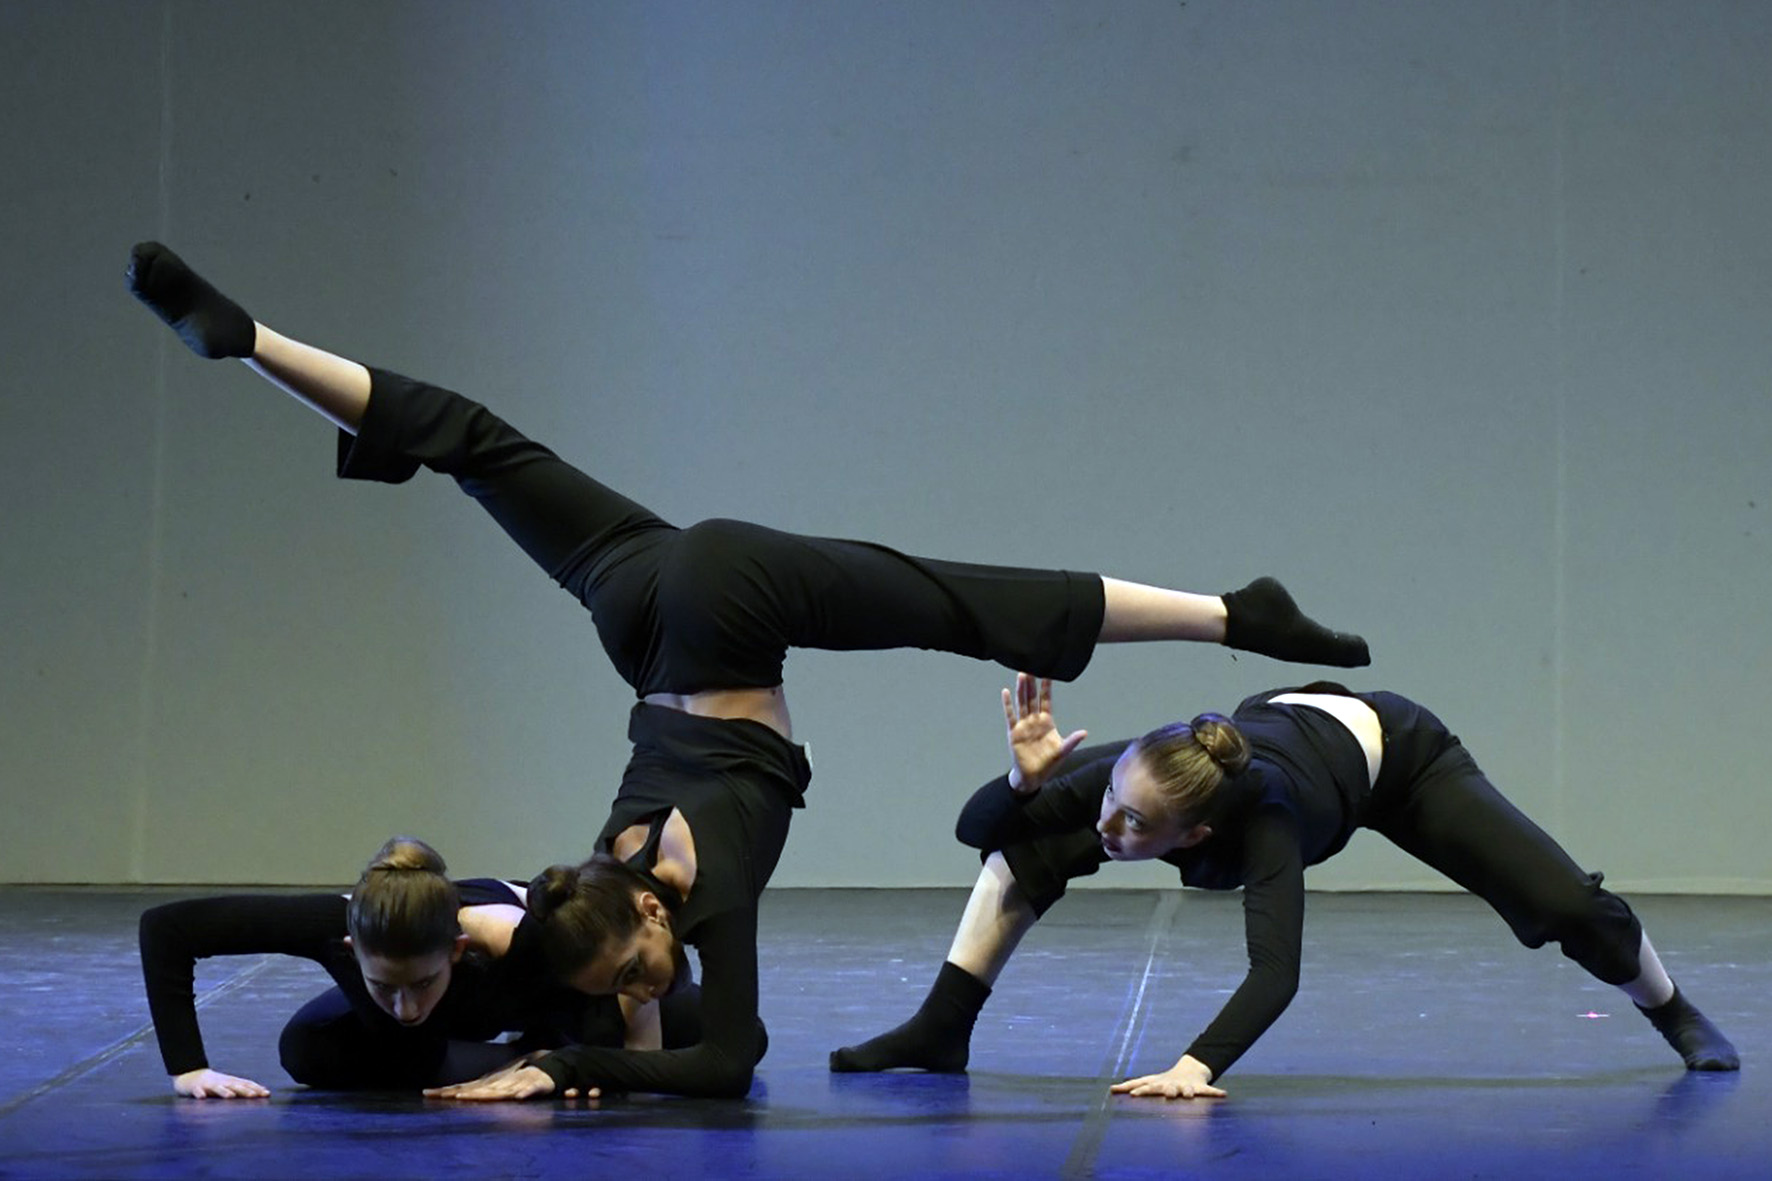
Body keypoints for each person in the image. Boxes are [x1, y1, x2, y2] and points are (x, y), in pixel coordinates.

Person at [126, 242, 1371, 1101]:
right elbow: (598, 979)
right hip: (637, 602)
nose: (638, 990)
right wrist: (565, 1006)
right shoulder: (582, 894)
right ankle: (252, 342)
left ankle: (1227, 613)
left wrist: (575, 1062)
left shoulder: (697, 897)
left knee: (954, 601)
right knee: (478, 447)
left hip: (724, 600)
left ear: (654, 916)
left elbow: (725, 1061)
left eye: (631, 975)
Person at [830, 675, 1740, 1095]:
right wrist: (1030, 784)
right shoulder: (1134, 775)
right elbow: (974, 831)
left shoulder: (1262, 825)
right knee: (1025, 850)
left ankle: (1672, 1008)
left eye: (1136, 826)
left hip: (1397, 760)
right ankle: (940, 1029)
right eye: (1112, 806)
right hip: (1280, 725)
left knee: (1562, 904)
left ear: (1198, 837)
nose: (1110, 827)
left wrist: (1193, 1069)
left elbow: (1277, 972)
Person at [139, 836, 698, 1098]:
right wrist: (188, 1069)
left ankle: (525, 1050)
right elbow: (168, 929)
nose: (406, 1005)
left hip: (534, 1002)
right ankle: (503, 1054)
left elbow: (609, 997)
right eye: (386, 985)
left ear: (457, 949)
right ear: (351, 949)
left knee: (700, 1022)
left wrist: (578, 1064)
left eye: (424, 982)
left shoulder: (525, 942)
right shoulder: (333, 930)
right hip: (438, 1042)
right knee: (306, 1049)